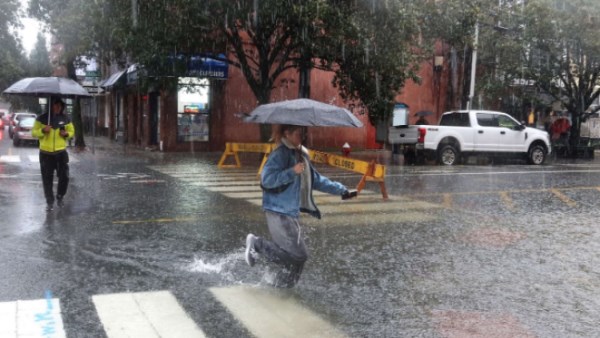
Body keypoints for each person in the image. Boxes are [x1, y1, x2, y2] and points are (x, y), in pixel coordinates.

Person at [245, 124, 356, 288]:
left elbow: (315, 180)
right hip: (278, 211)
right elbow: (266, 180)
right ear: (287, 134)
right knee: (298, 255)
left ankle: (282, 287)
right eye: (298, 133)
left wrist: (342, 190)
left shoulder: (300, 154)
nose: (301, 137)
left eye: (302, 133)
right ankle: (257, 244)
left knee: (296, 259)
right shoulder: (280, 154)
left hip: (289, 212)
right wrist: (292, 172)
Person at [32, 98, 75, 211]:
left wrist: (66, 134)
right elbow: (34, 132)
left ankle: (60, 196)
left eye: (60, 106)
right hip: (46, 154)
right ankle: (49, 202)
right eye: (55, 106)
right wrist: (43, 131)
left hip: (61, 152)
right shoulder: (42, 118)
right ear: (50, 106)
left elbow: (71, 132)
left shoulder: (65, 118)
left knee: (64, 177)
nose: (58, 108)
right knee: (47, 179)